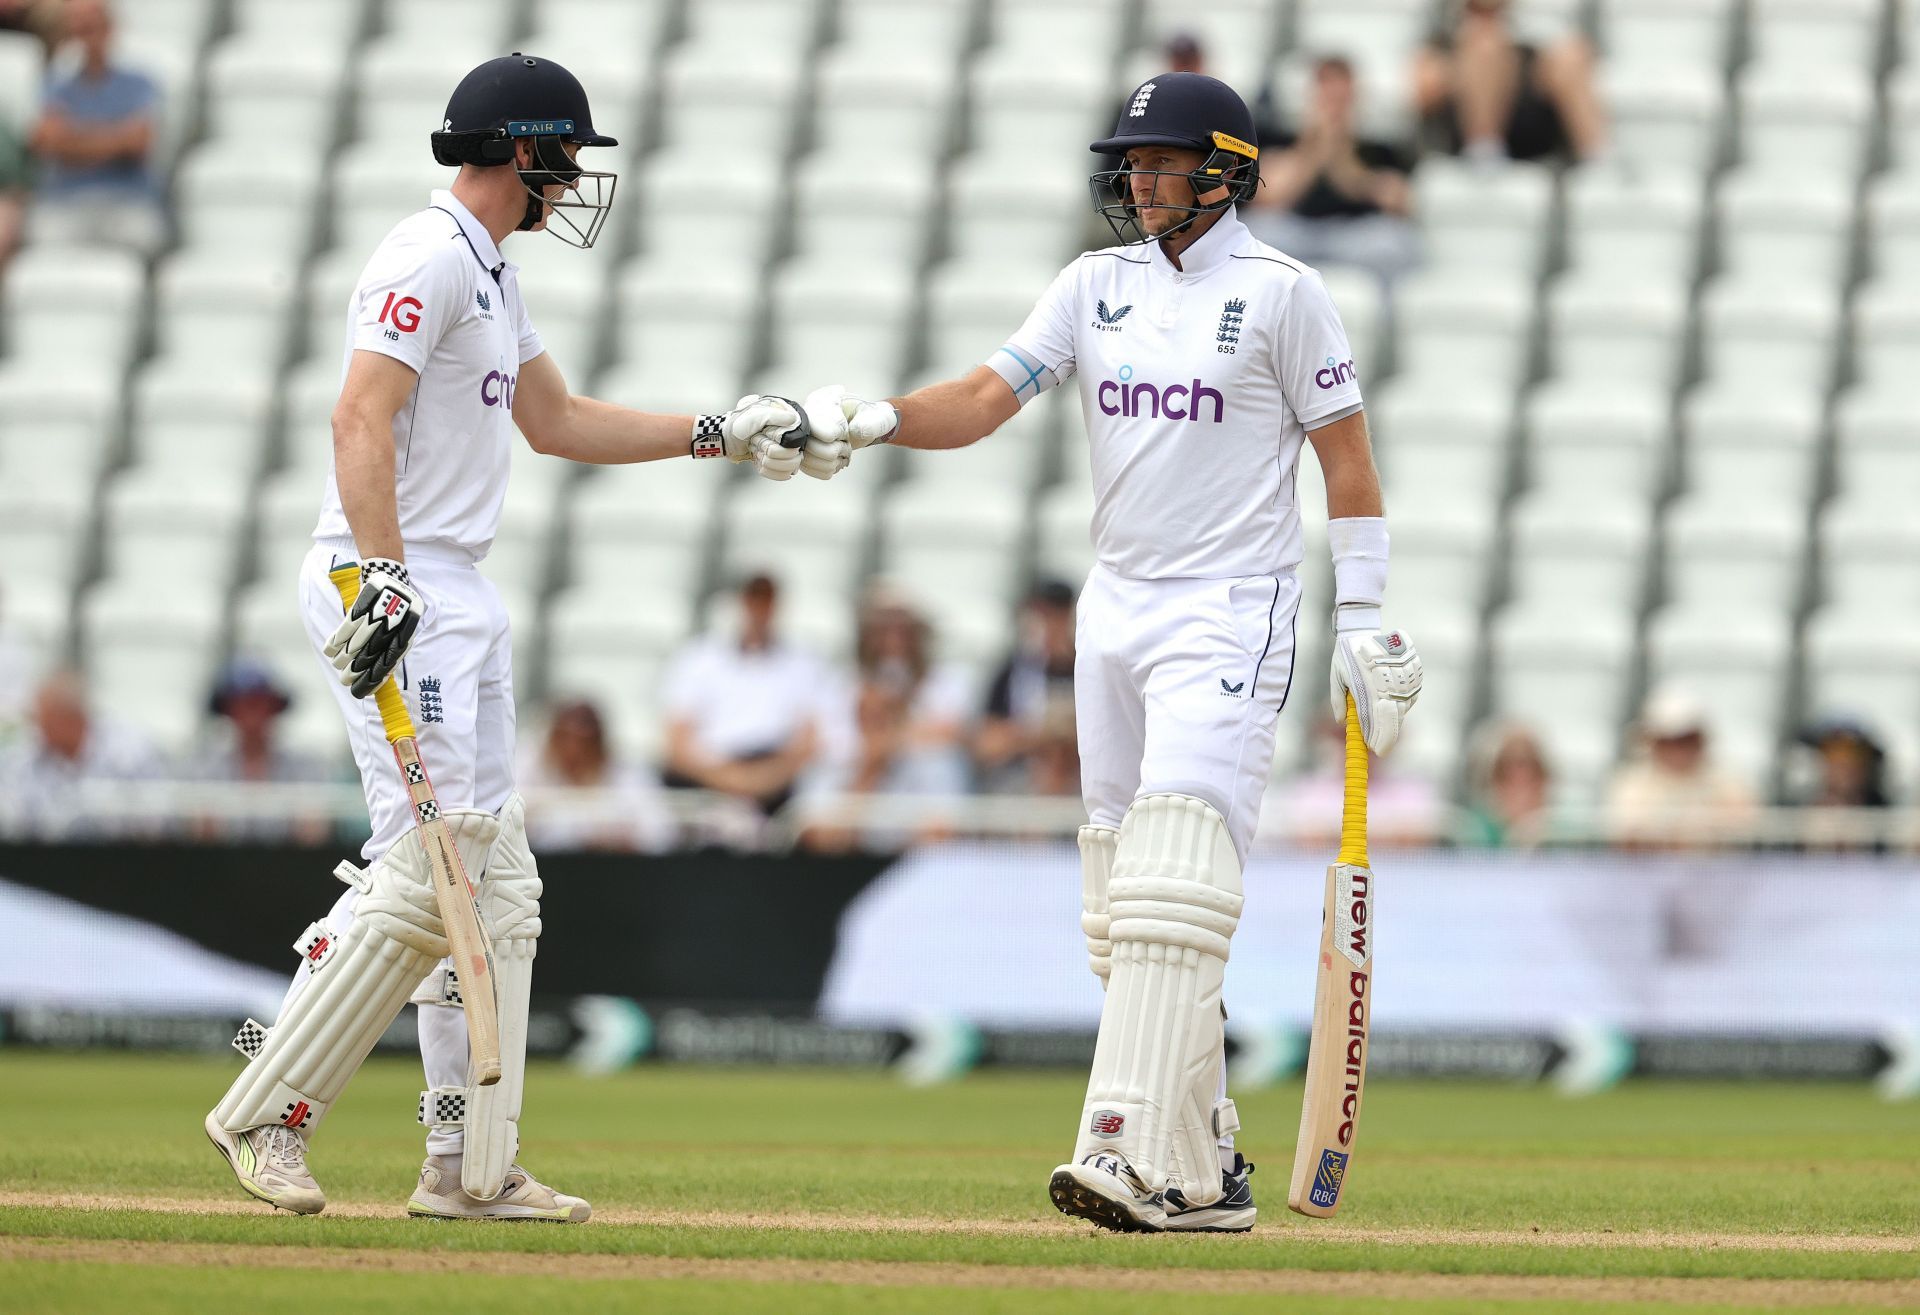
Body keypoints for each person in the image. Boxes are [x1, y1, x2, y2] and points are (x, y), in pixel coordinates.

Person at [789, 72, 1423, 1233]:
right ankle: (1207, 1165)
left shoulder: (1286, 294)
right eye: (1130, 163)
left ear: (1223, 170)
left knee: (1174, 876)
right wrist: (873, 418)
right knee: (1119, 902)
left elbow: (1347, 459)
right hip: (1116, 607)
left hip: (1231, 610)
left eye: (1162, 163)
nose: (1137, 181)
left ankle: (1122, 1150)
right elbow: (986, 395)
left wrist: (1365, 614)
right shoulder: (1094, 284)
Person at [204, 53, 812, 1223]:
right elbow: (357, 413)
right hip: (395, 575)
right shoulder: (424, 255)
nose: (577, 176)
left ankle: (466, 1165)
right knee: (431, 870)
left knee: (492, 882)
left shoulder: (492, 274)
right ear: (523, 150)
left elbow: (558, 419)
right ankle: (267, 1108)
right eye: (567, 154)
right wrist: (382, 580)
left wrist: (720, 431)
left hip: (456, 585)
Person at [801, 588, 973, 851]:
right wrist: (871, 766)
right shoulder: (834, 692)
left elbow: (940, 835)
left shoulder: (947, 689)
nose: (893, 641)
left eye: (903, 630)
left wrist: (889, 742)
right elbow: (822, 839)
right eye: (883, 629)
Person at [660, 573, 823, 819]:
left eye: (766, 600)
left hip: (778, 787)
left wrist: (762, 781)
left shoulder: (804, 664)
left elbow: (809, 743)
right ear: (739, 602)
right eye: (753, 599)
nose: (759, 609)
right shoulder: (697, 659)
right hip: (708, 781)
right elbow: (677, 744)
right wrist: (732, 782)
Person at [1246, 56, 1419, 289]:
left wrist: (1343, 160)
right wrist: (1312, 150)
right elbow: (1266, 198)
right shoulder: (1285, 141)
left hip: (1355, 236)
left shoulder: (1379, 147)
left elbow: (1399, 202)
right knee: (1255, 232)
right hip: (1298, 232)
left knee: (1392, 242)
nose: (1334, 106)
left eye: (1340, 98)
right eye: (1327, 97)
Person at [24, 0, 165, 255]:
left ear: (110, 29)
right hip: (65, 202)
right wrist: (115, 137)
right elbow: (48, 141)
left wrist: (73, 139)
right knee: (44, 242)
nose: (86, 38)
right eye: (79, 30)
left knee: (141, 236)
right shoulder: (56, 84)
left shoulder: (139, 82)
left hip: (125, 201)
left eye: (92, 27)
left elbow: (138, 142)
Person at [1411, 0, 1607, 166]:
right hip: (1460, 128)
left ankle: (1598, 160)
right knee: (1485, 47)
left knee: (1571, 55)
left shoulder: (1525, 40)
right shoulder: (1442, 34)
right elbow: (1424, 92)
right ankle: (1484, 150)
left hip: (1531, 121)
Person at [0, 668, 161, 839]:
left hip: (122, 858)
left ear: (70, 718)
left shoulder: (129, 754)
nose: (37, 728)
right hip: (46, 859)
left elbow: (158, 818)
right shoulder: (24, 760)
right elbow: (13, 820)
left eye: (43, 719)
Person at [195, 657, 334, 844]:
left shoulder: (305, 768)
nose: (252, 714)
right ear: (227, 710)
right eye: (243, 704)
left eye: (259, 703)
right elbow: (198, 836)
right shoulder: (205, 769)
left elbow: (315, 834)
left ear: (274, 708)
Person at [1261, 711, 1445, 850]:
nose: (1364, 748)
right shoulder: (1310, 790)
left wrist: (1336, 836)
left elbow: (1416, 839)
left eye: (1373, 739)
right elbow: (1305, 839)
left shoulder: (1413, 792)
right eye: (1349, 737)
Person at [1604, 687, 1755, 850]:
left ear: (1700, 740)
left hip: (1716, 874)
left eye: (1686, 740)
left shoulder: (1728, 782)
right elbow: (1627, 838)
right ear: (1653, 742)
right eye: (1667, 741)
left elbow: (1746, 829)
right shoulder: (1631, 783)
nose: (1677, 750)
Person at [519, 698, 675, 852]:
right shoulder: (528, 764)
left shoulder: (624, 773)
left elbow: (660, 833)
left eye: (584, 742)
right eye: (565, 737)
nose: (573, 750)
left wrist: (618, 837)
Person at [974, 579, 1078, 793]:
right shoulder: (1012, 672)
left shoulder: (1092, 668)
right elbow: (987, 744)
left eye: (1057, 614)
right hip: (1021, 778)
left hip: (1078, 779)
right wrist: (1040, 734)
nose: (1050, 624)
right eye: (1043, 615)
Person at [1790, 717, 1892, 853]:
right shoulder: (1794, 810)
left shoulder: (1886, 815)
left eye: (1855, 755)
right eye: (1833, 754)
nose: (1844, 765)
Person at [1458, 719, 1556, 849]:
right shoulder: (1475, 828)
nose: (1519, 775)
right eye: (1506, 765)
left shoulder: (1562, 830)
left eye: (1528, 763)